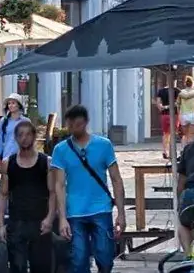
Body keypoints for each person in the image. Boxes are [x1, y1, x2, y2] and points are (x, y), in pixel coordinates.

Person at [50, 104, 119, 273]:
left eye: (78, 125)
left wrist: (121, 214)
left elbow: (116, 179)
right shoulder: (61, 150)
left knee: (105, 257)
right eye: (70, 125)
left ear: (86, 122)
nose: (73, 128)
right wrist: (62, 218)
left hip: (101, 208)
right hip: (75, 211)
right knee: (78, 260)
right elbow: (58, 184)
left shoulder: (104, 145)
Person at [0, 115, 64, 273]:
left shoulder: (45, 162)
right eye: (20, 135)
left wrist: (49, 218)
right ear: (16, 138)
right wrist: (0, 225)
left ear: (34, 136)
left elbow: (53, 192)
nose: (24, 138)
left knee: (41, 267)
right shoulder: (9, 163)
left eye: (28, 134)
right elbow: (2, 194)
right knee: (17, 267)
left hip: (40, 224)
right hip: (17, 222)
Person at [0, 95, 28, 166]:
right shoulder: (3, 121)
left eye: (13, 103)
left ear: (19, 105)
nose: (10, 105)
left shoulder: (26, 121)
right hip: (7, 158)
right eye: (9, 103)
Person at [155, 79, 178, 161]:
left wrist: (162, 107)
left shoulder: (161, 91)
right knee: (173, 134)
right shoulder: (176, 90)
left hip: (164, 115)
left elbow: (158, 103)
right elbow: (178, 103)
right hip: (174, 114)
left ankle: (165, 151)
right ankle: (172, 152)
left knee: (165, 134)